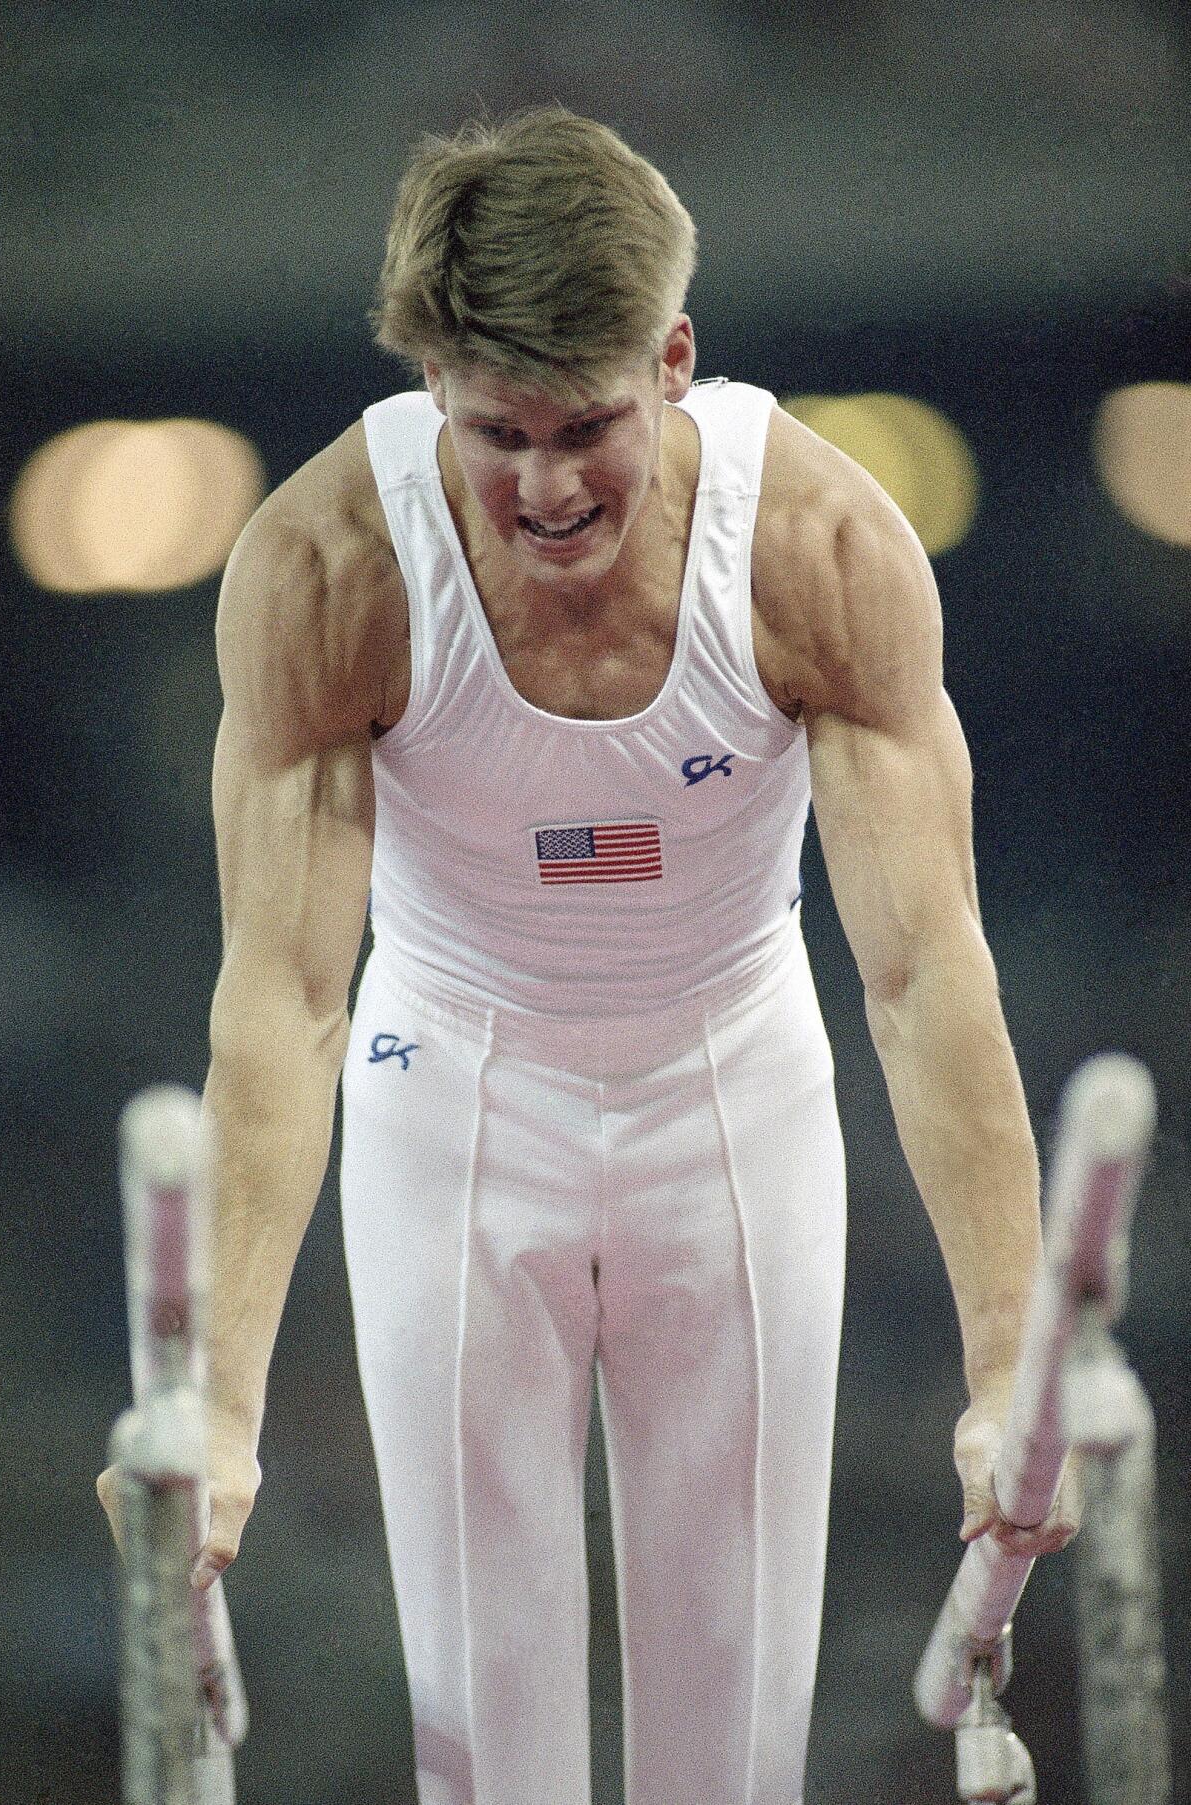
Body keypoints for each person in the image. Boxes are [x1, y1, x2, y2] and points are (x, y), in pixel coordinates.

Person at [99, 106, 1078, 1805]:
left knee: (733, 1721)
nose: (546, 486)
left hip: (735, 1082)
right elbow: (284, 999)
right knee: (486, 1725)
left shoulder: (818, 552)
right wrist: (221, 1411)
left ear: (676, 360)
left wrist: (1011, 1367)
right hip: (453, 1084)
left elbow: (923, 975)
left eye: (586, 427)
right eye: (495, 435)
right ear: (427, 397)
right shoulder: (331, 566)